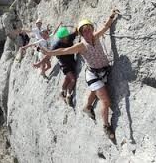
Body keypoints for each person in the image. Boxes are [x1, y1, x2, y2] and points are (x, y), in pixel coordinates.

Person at [40, 9, 119, 139]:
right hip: (93, 75)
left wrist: (111, 16)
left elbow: (106, 27)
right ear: (81, 33)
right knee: (105, 100)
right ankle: (106, 126)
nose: (87, 32)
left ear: (92, 29)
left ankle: (87, 107)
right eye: (84, 31)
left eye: (89, 29)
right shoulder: (80, 46)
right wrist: (49, 53)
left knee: (94, 92)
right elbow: (64, 50)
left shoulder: (96, 36)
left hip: (103, 72)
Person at [44, 26, 79, 105]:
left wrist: (77, 27)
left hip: (71, 61)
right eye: (62, 38)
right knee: (72, 79)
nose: (64, 39)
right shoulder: (56, 45)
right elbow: (49, 54)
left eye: (65, 37)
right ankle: (68, 95)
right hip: (64, 64)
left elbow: (76, 32)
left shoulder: (70, 37)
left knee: (67, 78)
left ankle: (62, 91)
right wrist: (40, 63)